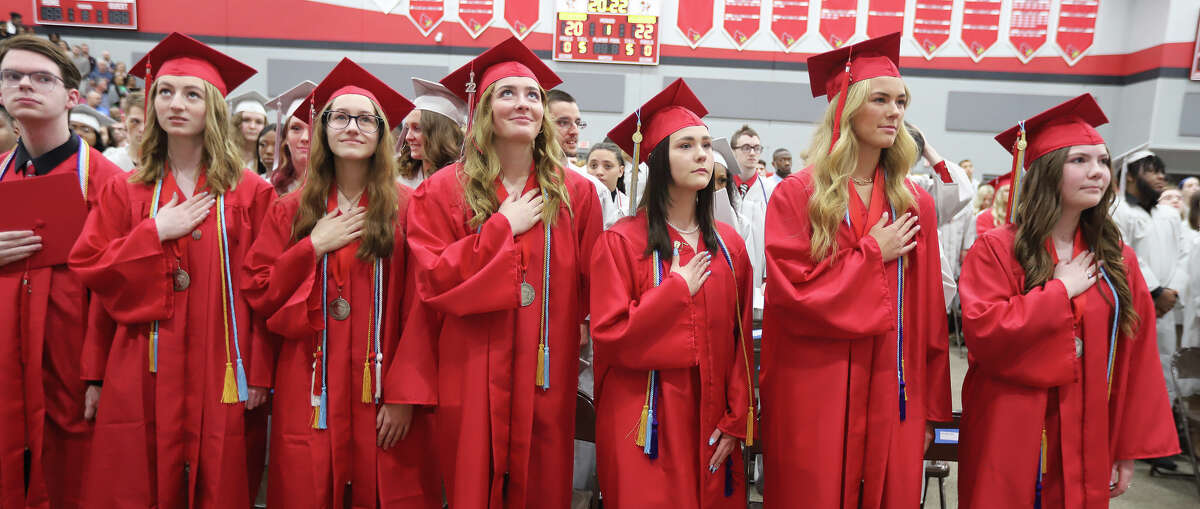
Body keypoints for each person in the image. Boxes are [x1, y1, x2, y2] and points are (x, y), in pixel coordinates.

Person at [67, 32, 275, 509]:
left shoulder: (249, 194)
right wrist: (153, 233)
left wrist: (259, 371)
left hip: (224, 361)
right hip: (140, 359)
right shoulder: (126, 191)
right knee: (136, 478)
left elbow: (262, 289)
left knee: (219, 479)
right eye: (164, 91)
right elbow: (94, 273)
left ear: (214, 107)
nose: (175, 103)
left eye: (191, 93)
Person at [401, 36, 603, 508]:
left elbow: (593, 284)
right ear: (484, 109)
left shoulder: (577, 193)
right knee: (471, 481)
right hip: (470, 364)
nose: (523, 104)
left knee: (543, 482)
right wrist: (500, 229)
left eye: (533, 95)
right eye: (507, 93)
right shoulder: (441, 191)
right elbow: (433, 280)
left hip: (546, 368)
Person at [958, 93, 1179, 508]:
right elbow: (985, 333)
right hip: (1011, 425)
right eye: (1079, 160)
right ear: (1046, 172)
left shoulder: (1116, 258)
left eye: (1101, 161)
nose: (1097, 172)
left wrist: (1123, 448)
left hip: (1089, 432)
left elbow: (1136, 356)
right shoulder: (997, 249)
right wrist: (1058, 291)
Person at [760, 32, 952, 508]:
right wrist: (871, 253)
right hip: (816, 388)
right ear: (846, 107)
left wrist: (932, 408)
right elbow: (793, 294)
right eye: (881, 100)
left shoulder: (915, 203)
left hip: (896, 387)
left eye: (901, 101)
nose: (895, 112)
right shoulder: (798, 194)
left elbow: (928, 312)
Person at [242, 58, 441, 509]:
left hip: (383, 382)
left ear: (382, 133)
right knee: (306, 486)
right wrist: (310, 247)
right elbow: (259, 290)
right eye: (339, 117)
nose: (353, 127)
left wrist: (406, 395)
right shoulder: (290, 210)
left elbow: (424, 306)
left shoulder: (412, 208)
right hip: (310, 383)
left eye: (366, 118)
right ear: (323, 130)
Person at [591, 78, 755, 508]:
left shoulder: (728, 245)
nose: (702, 153)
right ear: (658, 159)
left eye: (705, 144)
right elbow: (610, 336)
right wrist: (675, 291)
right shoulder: (621, 242)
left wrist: (737, 418)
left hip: (712, 418)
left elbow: (740, 344)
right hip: (644, 421)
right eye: (686, 145)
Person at [0, 34, 122, 509]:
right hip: (8, 365)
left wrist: (99, 375)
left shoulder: (110, 183)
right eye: (12, 76)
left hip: (73, 369)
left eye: (41, 78)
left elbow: (120, 287)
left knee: (76, 478)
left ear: (72, 96)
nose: (25, 85)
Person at [547, 88, 621, 226]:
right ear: (541, 123)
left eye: (577, 123)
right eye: (563, 122)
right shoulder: (519, 179)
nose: (574, 131)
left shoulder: (593, 189)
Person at [727, 123, 775, 313]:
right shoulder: (722, 186)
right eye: (746, 148)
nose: (753, 153)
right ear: (733, 151)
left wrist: (768, 277)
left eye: (756, 148)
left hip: (759, 276)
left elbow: (776, 238)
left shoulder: (770, 190)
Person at [396, 77, 466, 189]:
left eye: (417, 128)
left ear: (440, 134)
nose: (408, 137)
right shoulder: (399, 178)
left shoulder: (462, 181)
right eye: (408, 128)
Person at [265, 81, 316, 195]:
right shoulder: (268, 190)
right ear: (286, 137)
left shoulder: (339, 190)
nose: (305, 137)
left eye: (313, 128)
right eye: (296, 128)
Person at [101, 92, 145, 171]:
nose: (142, 129)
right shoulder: (111, 161)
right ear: (124, 121)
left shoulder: (169, 163)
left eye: (149, 122)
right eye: (135, 121)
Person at [584, 141, 628, 215]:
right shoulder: (575, 203)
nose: (599, 172)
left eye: (608, 166)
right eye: (594, 165)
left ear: (620, 171)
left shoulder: (628, 208)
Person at [229, 91, 268, 169]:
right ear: (237, 123)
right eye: (246, 120)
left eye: (259, 122)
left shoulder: (268, 162)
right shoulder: (224, 157)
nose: (252, 126)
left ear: (265, 126)